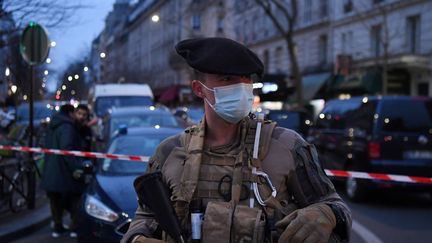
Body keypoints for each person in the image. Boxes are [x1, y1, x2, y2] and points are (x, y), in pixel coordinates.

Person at [122, 37, 352, 243]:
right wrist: (138, 237)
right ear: (198, 89)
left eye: (246, 79)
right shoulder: (169, 153)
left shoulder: (287, 145)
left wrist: (327, 214)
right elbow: (146, 216)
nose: (241, 88)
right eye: (227, 79)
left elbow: (335, 205)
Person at [41, 104, 86, 238]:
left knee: (55, 200)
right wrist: (76, 168)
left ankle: (58, 227)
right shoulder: (67, 127)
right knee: (72, 198)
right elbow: (67, 149)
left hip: (51, 167)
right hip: (61, 170)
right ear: (71, 113)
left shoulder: (54, 124)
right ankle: (70, 228)